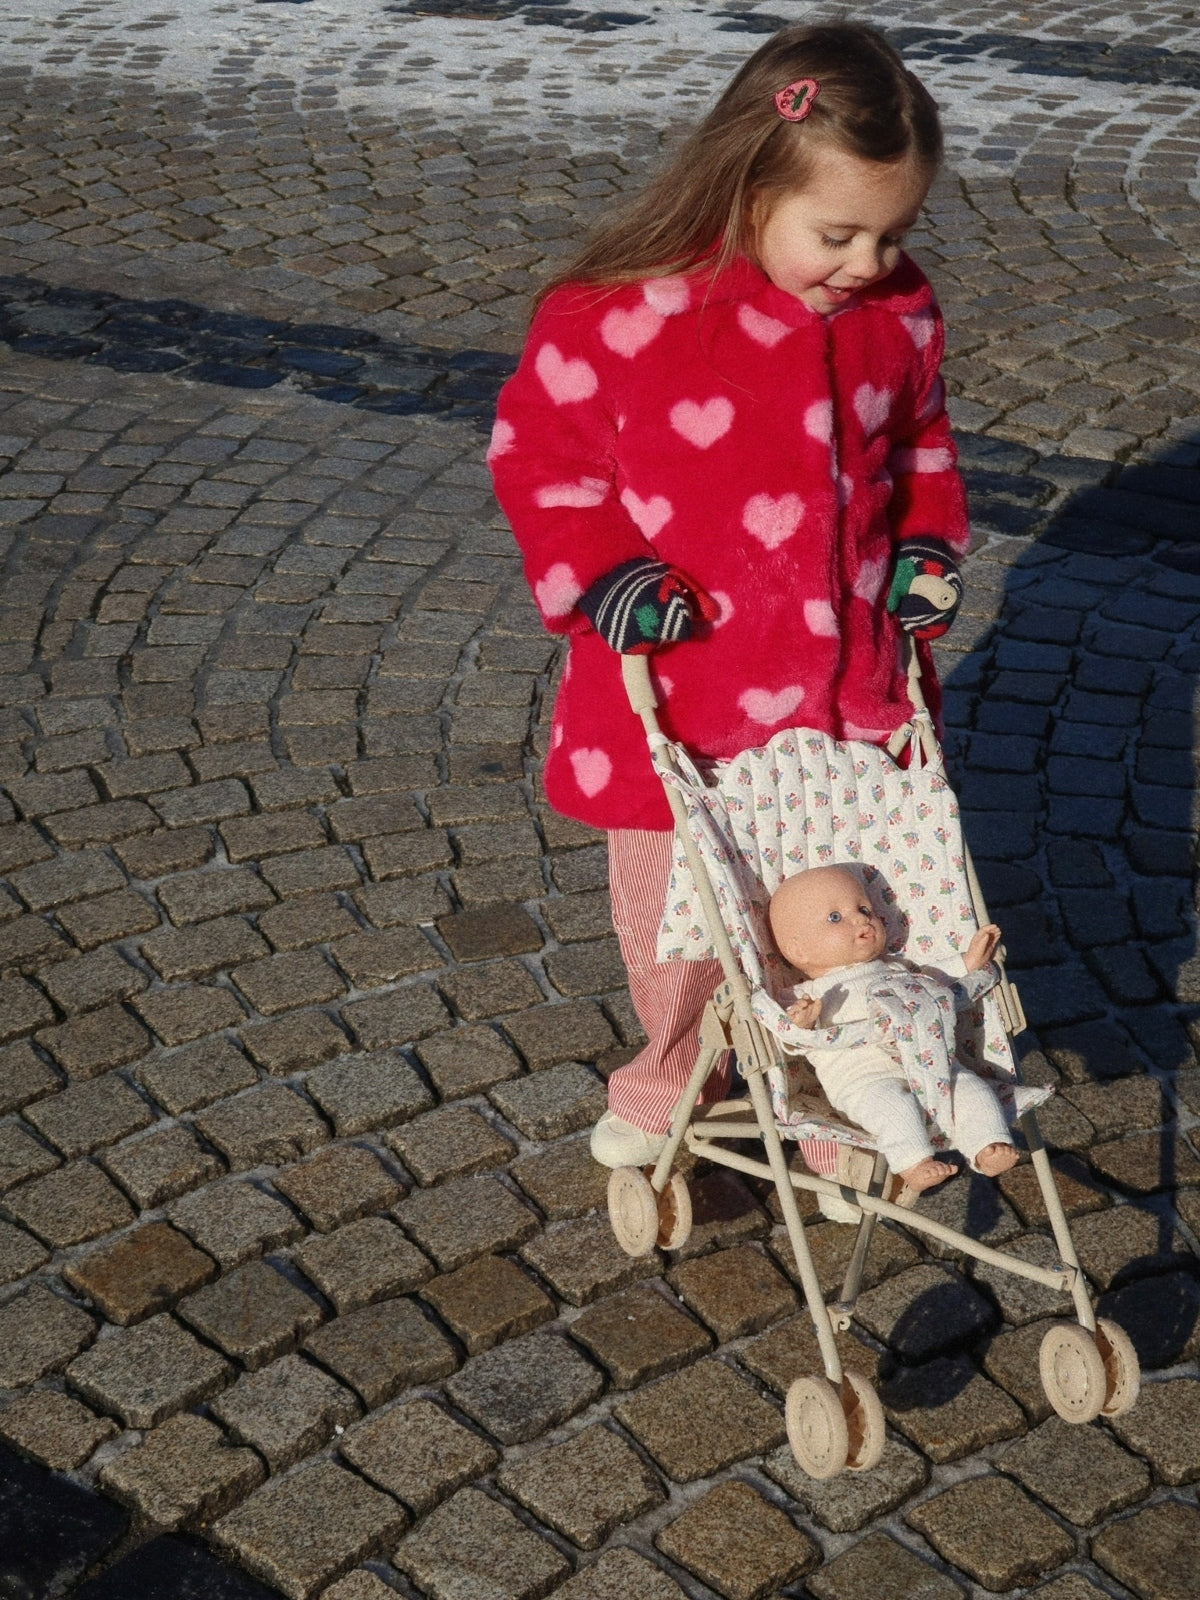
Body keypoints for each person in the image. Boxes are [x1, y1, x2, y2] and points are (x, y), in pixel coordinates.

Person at [489, 21, 970, 1170]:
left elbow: (922, 452)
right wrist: (605, 573)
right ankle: (667, 1076)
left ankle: (843, 1092)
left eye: (890, 234)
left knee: (850, 919)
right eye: (837, 233)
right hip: (680, 696)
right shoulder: (625, 314)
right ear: (753, 183)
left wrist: (926, 552)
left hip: (841, 694)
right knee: (684, 933)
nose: (865, 262)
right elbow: (542, 458)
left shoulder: (894, 317)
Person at [769, 866, 1019, 1191]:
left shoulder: (897, 967)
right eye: (835, 918)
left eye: (863, 909)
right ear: (799, 950)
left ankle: (988, 1145)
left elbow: (935, 977)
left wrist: (969, 962)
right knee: (892, 1108)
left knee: (973, 1090)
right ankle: (914, 1164)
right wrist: (802, 1021)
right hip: (866, 1081)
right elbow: (791, 1036)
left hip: (935, 1067)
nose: (861, 919)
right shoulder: (812, 992)